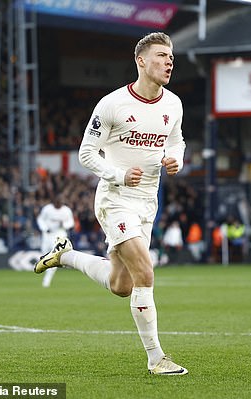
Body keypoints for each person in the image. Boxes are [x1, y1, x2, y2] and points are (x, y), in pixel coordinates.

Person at [34, 32, 188, 375]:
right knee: (146, 272)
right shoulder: (112, 104)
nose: (168, 62)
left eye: (171, 57)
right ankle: (156, 358)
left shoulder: (173, 104)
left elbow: (177, 141)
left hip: (148, 201)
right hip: (116, 199)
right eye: (162, 56)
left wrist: (175, 158)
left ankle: (66, 255)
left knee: (123, 286)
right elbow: (86, 154)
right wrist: (118, 174)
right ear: (141, 61)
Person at [36, 195, 75, 288]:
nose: (58, 204)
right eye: (57, 202)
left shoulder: (66, 210)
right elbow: (40, 219)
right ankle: (44, 272)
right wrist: (45, 228)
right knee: (44, 255)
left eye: (60, 202)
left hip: (60, 234)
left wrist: (64, 224)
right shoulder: (47, 209)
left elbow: (71, 222)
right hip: (48, 234)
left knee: (54, 257)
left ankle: (47, 281)